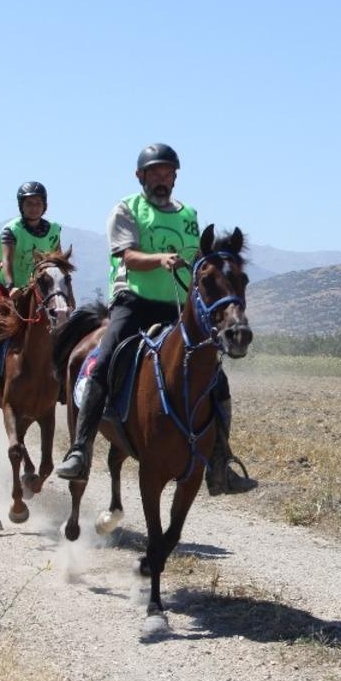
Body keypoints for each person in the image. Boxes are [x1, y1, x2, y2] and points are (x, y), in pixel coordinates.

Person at [54, 143, 256, 495]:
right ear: (141, 176)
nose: (163, 180)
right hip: (133, 302)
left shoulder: (188, 215)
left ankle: (221, 461)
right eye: (155, 174)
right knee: (103, 363)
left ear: (175, 177)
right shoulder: (127, 209)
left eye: (168, 174)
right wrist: (160, 259)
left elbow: (201, 263)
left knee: (216, 378)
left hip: (176, 306)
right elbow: (128, 256)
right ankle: (81, 449)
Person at [0, 181, 62, 407]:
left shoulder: (54, 230)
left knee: (63, 330)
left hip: (41, 291)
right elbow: (7, 262)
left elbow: (56, 261)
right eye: (29, 203)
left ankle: (63, 386)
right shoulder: (11, 231)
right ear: (21, 206)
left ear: (45, 206)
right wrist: (11, 287)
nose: (34, 207)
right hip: (10, 290)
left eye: (38, 203)